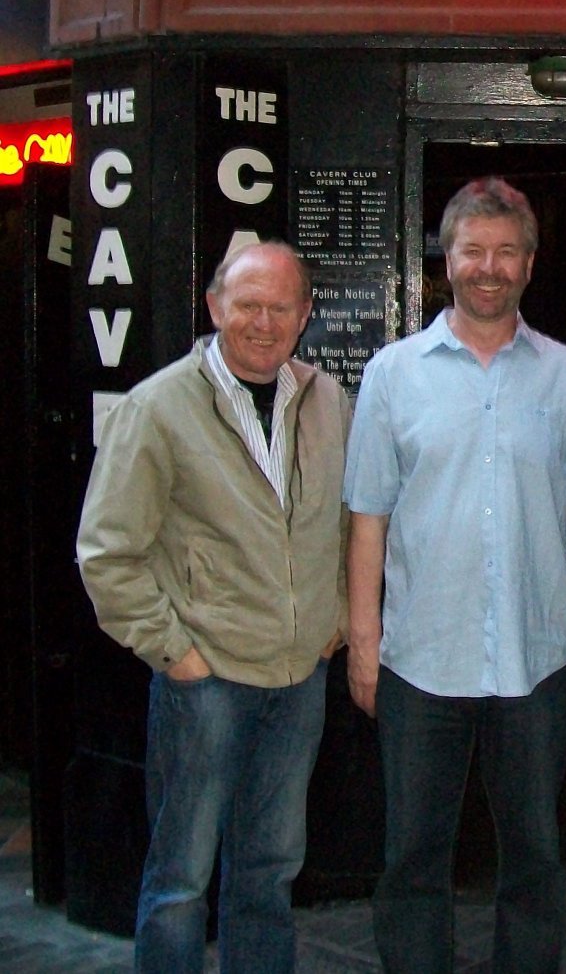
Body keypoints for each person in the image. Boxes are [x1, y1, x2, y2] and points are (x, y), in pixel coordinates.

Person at [344, 176, 566, 974]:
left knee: (534, 857)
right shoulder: (393, 374)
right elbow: (368, 517)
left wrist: (539, 584)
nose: (488, 268)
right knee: (412, 860)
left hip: (534, 663)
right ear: (447, 258)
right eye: (473, 250)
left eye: (505, 252)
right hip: (420, 659)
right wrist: (364, 643)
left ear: (529, 263)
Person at [76, 241, 351, 974]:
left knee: (269, 873)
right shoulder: (157, 407)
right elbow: (106, 552)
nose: (264, 322)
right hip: (206, 685)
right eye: (248, 305)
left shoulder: (328, 401)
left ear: (304, 315)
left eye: (280, 307)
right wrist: (178, 655)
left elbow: (350, 522)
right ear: (214, 307)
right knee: (180, 881)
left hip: (299, 681)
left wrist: (336, 620)